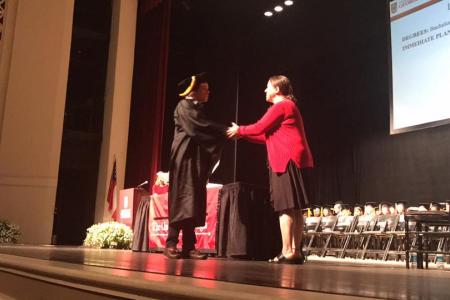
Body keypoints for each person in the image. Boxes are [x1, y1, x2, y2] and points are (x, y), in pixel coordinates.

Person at [227, 75, 314, 264]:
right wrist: (243, 135)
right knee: (295, 208)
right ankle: (296, 251)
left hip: (286, 160)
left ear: (277, 89)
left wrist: (239, 130)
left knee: (286, 207)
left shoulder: (281, 106)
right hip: (295, 159)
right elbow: (265, 136)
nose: (264, 90)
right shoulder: (288, 106)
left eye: (267, 87)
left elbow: (260, 127)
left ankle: (288, 250)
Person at [164, 73, 226, 260]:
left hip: (195, 160)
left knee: (192, 201)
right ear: (195, 90)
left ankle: (189, 246)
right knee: (181, 199)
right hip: (183, 160)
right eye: (205, 89)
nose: (209, 92)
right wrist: (224, 131)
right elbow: (199, 128)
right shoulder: (184, 106)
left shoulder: (196, 108)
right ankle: (171, 243)